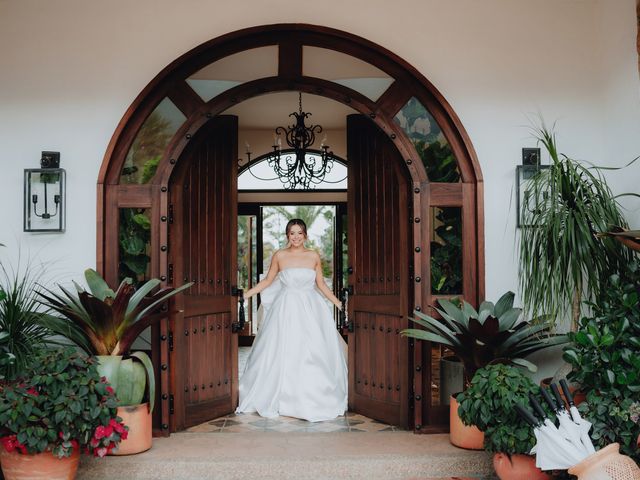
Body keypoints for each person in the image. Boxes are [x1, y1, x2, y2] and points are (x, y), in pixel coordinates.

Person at [235, 218, 348, 422]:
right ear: (287, 235)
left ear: (305, 235)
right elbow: (268, 281)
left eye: (299, 233)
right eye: (292, 233)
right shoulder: (280, 255)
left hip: (310, 307)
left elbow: (320, 284)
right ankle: (280, 395)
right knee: (281, 348)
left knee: (312, 349)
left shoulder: (313, 255)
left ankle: (312, 395)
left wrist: (339, 303)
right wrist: (246, 295)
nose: (296, 237)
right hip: (285, 307)